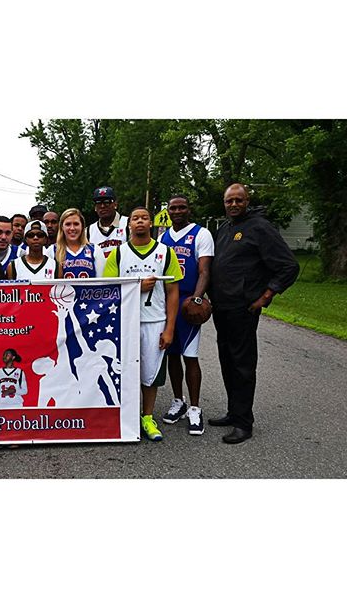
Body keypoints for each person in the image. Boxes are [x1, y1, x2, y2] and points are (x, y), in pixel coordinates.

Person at [208, 183, 299, 444]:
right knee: (227, 360)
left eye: (239, 200)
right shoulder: (224, 228)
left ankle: (243, 423)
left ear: (247, 201)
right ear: (224, 204)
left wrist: (266, 296)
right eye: (229, 201)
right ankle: (233, 412)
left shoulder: (260, 227)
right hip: (222, 308)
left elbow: (288, 266)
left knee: (243, 365)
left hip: (243, 308)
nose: (234, 205)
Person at [103, 207, 183, 441]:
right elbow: (107, 291)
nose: (139, 222)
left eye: (144, 218)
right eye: (135, 218)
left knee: (150, 374)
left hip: (154, 321)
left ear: (151, 223)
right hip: (125, 323)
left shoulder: (165, 252)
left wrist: (169, 328)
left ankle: (147, 417)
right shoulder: (118, 254)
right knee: (124, 371)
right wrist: (136, 287)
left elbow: (173, 292)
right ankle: (126, 417)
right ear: (129, 225)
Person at [159, 195, 215, 435]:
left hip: (188, 300)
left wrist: (198, 298)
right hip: (168, 299)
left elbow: (204, 270)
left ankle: (195, 407)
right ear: (168, 211)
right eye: (174, 208)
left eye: (182, 207)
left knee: (190, 355)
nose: (178, 211)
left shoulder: (201, 234)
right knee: (171, 353)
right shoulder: (163, 237)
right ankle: (178, 400)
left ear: (189, 210)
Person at [47, 208, 105, 278]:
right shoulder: (52, 251)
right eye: (68, 224)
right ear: (62, 227)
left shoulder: (95, 250)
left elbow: (101, 281)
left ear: (82, 226)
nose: (72, 228)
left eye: (76, 224)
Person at [87, 186, 129, 259]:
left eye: (107, 202)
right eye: (98, 203)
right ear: (95, 207)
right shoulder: (88, 231)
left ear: (115, 204)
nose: (102, 206)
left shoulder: (128, 224)